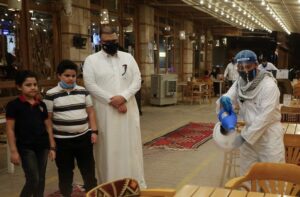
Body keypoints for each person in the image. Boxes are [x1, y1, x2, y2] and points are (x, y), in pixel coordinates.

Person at [83, 25, 146, 188]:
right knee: (108, 150)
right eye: (106, 41)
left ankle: (134, 183)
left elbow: (137, 80)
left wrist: (123, 97)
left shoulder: (128, 58)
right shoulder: (91, 61)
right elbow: (90, 85)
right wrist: (112, 100)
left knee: (130, 147)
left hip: (128, 110)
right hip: (105, 112)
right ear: (100, 41)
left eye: (113, 41)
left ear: (117, 40)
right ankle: (109, 186)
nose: (110, 43)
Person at [217, 50, 285, 176]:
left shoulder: (268, 86)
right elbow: (229, 96)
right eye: (241, 68)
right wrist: (224, 100)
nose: (245, 71)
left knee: (273, 179)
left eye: (248, 67)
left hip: (268, 137)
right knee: (247, 177)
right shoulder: (239, 83)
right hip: (248, 138)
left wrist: (243, 137)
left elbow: (264, 118)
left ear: (256, 65)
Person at [44, 60, 98, 196]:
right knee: (65, 172)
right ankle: (66, 194)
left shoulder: (83, 92)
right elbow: (48, 120)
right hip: (62, 141)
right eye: (67, 75)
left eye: (73, 76)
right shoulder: (51, 94)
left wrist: (94, 131)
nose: (71, 79)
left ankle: (93, 193)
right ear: (59, 76)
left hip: (83, 138)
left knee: (89, 170)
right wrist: (51, 143)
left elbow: (91, 112)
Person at [6, 70, 56, 197]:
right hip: (25, 147)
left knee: (41, 179)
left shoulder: (42, 105)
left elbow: (48, 126)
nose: (33, 87)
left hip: (43, 146)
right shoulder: (13, 106)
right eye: (28, 85)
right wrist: (13, 151)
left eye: (35, 84)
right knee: (33, 179)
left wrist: (52, 146)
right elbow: (10, 129)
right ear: (19, 87)